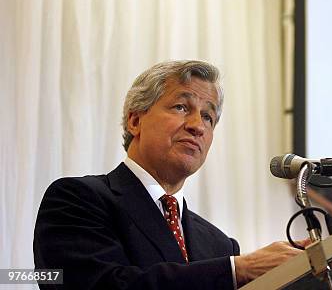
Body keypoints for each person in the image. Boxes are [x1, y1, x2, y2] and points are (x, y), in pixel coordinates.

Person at [34, 60, 307, 289]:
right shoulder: (78, 200)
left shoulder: (219, 245)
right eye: (181, 107)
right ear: (135, 120)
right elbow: (99, 285)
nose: (197, 126)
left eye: (208, 117)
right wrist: (237, 270)